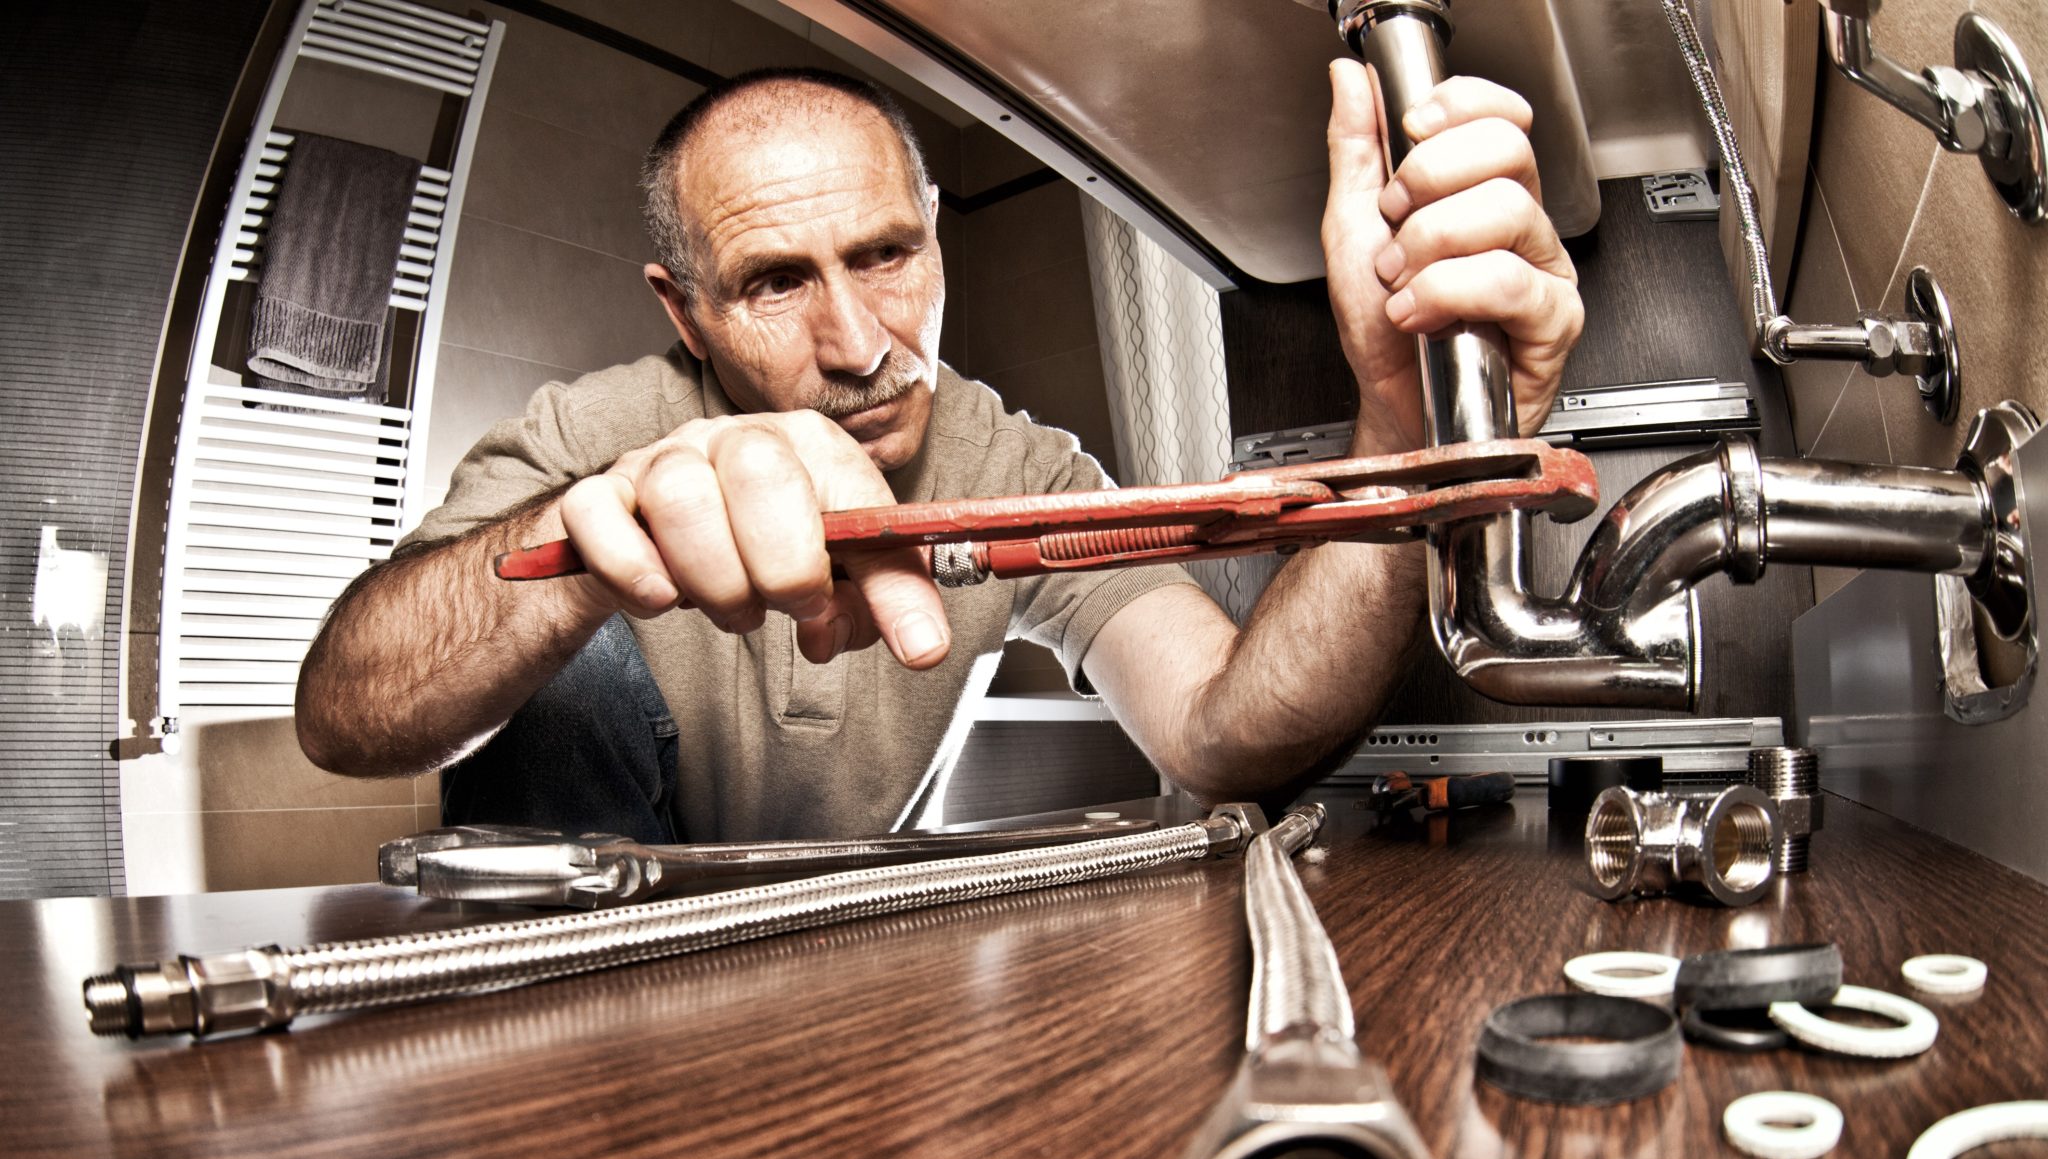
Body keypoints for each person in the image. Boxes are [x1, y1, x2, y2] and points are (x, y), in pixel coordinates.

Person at [295, 63, 1582, 841]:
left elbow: (1223, 734)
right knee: (561, 661)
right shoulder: (594, 428)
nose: (859, 342)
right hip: (572, 997)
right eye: (773, 284)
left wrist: (1401, 429)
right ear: (681, 309)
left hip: (826, 969)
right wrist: (582, 555)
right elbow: (344, 721)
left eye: (886, 256)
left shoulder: (1021, 470)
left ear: (935, 246)